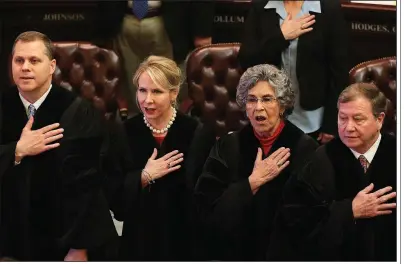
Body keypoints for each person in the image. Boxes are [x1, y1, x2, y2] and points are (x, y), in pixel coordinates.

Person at [0, 31, 117, 261]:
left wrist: (79, 247)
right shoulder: (3, 107)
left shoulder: (78, 113)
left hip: (60, 241)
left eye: (34, 61)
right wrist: (16, 150)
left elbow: (89, 185)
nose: (25, 67)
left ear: (52, 66)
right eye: (19, 60)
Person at [194, 64, 318, 260]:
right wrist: (252, 183)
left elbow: (312, 217)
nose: (258, 107)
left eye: (267, 99)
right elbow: (206, 207)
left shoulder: (306, 149)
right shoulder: (228, 146)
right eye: (252, 100)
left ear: (282, 105)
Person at [107, 55, 216, 261]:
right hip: (139, 243)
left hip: (186, 243)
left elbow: (207, 198)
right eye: (142, 90)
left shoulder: (198, 133)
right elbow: (114, 198)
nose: (147, 100)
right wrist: (143, 176)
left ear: (173, 93)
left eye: (157, 91)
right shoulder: (122, 133)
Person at [274, 83, 396, 261]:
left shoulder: (396, 154)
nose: (348, 127)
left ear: (379, 120)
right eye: (343, 118)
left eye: (358, 119)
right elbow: (295, 221)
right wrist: (349, 211)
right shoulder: (319, 161)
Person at [238, 0, 349, 143]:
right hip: (268, 115)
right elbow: (247, 61)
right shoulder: (260, 6)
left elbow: (339, 73)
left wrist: (332, 123)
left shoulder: (328, 8)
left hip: (312, 117)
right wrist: (281, 37)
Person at [96, 0, 215, 116]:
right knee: (132, 89)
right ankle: (138, 128)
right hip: (125, 20)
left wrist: (202, 30)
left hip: (166, 23)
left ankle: (169, 130)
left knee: (165, 89)